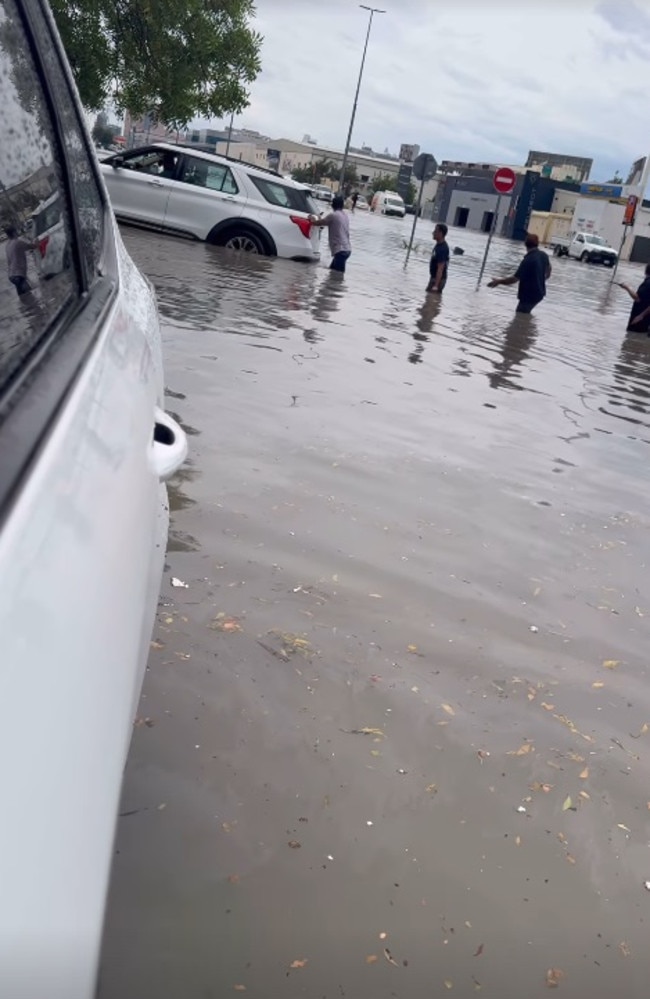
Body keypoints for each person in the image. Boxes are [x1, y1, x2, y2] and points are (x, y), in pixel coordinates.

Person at [488, 233, 551, 313]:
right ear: (537, 244)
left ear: (525, 244)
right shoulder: (544, 255)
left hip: (529, 296)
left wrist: (499, 281)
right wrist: (541, 279)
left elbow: (514, 279)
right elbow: (549, 270)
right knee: (524, 316)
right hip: (540, 293)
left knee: (520, 314)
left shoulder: (528, 260)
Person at [309, 195, 351, 273]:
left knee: (337, 276)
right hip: (347, 249)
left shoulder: (333, 215)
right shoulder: (345, 216)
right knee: (333, 272)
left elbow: (319, 223)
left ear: (332, 205)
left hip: (340, 250)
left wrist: (312, 220)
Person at [4, 225, 37, 296]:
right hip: (19, 276)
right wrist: (35, 240)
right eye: (16, 231)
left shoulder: (7, 245)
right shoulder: (18, 242)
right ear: (13, 233)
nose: (17, 232)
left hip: (11, 275)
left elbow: (9, 261)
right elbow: (33, 246)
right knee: (29, 296)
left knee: (24, 296)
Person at [619, 264, 650, 332]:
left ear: (645, 271)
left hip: (639, 317)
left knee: (632, 335)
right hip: (646, 318)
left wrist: (627, 287)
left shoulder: (648, 283)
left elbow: (637, 298)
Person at [426, 223, 450, 293]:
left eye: (435, 231)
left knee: (431, 301)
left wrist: (436, 285)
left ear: (441, 233)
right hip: (435, 278)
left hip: (438, 280)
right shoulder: (439, 245)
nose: (433, 233)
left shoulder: (442, 249)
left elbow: (440, 268)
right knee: (431, 299)